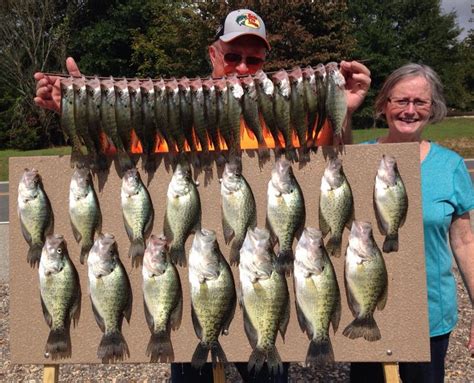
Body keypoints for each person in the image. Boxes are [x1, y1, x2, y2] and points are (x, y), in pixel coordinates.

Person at [34, 8, 372, 383]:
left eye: (254, 58)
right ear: (213, 55)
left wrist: (344, 110)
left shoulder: (286, 116)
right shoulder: (178, 114)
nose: (243, 66)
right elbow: (123, 155)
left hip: (265, 262)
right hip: (191, 265)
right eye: (232, 56)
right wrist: (83, 110)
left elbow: (329, 164)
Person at [350, 63, 474, 383]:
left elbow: (464, 242)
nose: (410, 110)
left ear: (433, 109)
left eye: (420, 102)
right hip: (371, 307)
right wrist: (347, 109)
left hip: (431, 314)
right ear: (383, 105)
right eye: (400, 101)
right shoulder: (360, 157)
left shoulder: (450, 165)